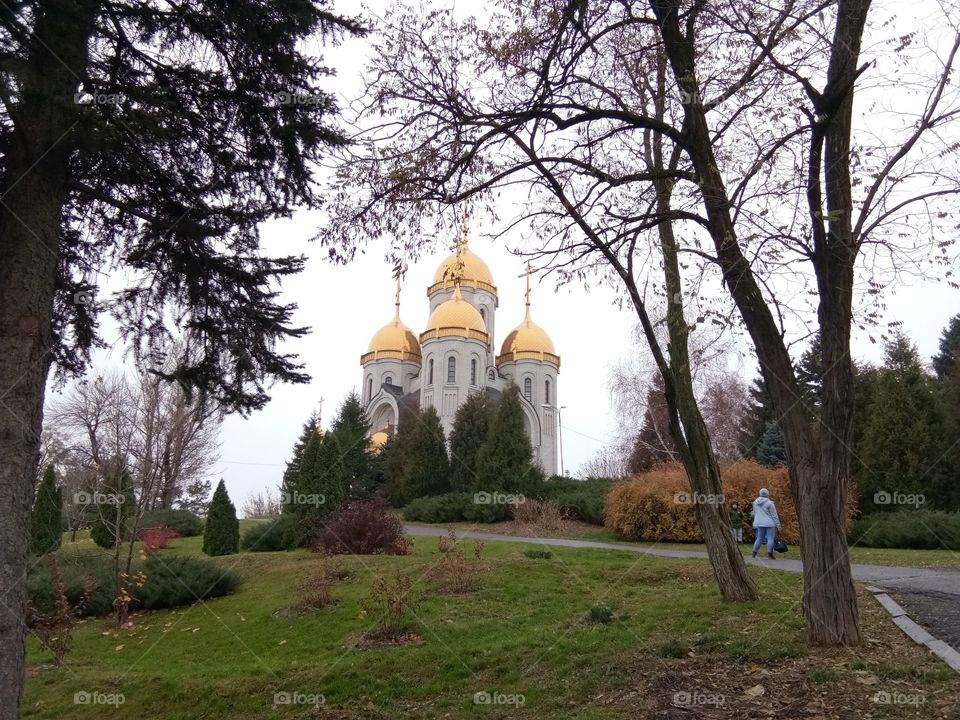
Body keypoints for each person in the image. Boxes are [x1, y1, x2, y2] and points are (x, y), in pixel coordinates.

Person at [750, 488, 781, 559]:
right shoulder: (770, 503)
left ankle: (754, 553)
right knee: (770, 538)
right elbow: (774, 515)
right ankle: (770, 554)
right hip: (770, 523)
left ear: (760, 493)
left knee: (759, 538)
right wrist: (778, 525)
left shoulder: (755, 503)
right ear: (767, 494)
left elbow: (754, 513)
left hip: (759, 523)